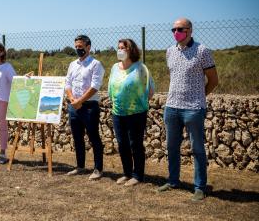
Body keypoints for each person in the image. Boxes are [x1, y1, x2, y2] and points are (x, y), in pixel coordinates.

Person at [157, 18, 218, 201]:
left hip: (193, 109)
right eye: (173, 29)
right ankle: (173, 180)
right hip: (172, 107)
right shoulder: (170, 51)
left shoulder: (202, 51)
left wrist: (200, 97)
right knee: (171, 146)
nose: (176, 32)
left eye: (180, 29)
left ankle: (199, 186)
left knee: (197, 148)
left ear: (190, 30)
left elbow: (213, 81)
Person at [108, 39, 154, 186]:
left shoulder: (140, 68)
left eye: (123, 48)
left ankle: (138, 175)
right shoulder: (115, 67)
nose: (120, 50)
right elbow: (111, 87)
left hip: (136, 113)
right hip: (118, 112)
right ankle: (127, 173)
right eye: (118, 48)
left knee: (136, 144)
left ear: (131, 50)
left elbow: (150, 89)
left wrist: (137, 101)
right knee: (122, 144)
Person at [65, 35, 105, 180]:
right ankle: (80, 166)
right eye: (76, 47)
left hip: (89, 106)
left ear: (88, 47)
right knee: (77, 138)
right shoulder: (72, 64)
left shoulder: (96, 64)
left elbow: (95, 86)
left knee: (94, 137)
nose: (78, 49)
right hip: (73, 105)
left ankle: (98, 169)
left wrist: (80, 101)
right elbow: (67, 83)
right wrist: (71, 99)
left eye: (80, 47)